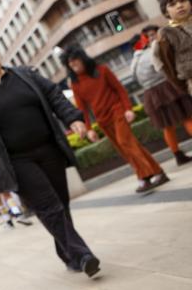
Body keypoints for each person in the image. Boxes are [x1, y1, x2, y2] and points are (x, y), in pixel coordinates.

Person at [0, 39, 101, 277]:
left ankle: (68, 254)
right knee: (49, 207)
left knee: (60, 204)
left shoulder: (25, 74)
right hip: (16, 161)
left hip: (49, 149)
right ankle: (83, 254)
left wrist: (73, 118)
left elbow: (54, 95)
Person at [62, 45, 169, 193]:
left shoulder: (102, 70)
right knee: (127, 148)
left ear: (82, 59)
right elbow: (82, 109)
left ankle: (144, 177)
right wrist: (89, 129)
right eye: (70, 63)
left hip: (117, 111)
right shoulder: (75, 84)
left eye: (75, 61)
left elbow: (120, 89)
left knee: (125, 142)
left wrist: (128, 108)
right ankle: (159, 172)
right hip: (103, 120)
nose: (73, 65)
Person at [131, 25, 192, 166]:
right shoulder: (154, 51)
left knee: (167, 126)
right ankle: (178, 155)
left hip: (150, 94)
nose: (151, 38)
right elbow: (165, 69)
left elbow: (135, 79)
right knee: (188, 116)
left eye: (153, 34)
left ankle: (177, 155)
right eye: (148, 36)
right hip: (168, 87)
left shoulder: (134, 62)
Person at [155, 0, 192, 96]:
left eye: (183, 1)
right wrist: (185, 87)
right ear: (166, 12)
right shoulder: (166, 34)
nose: (179, 6)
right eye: (172, 4)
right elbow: (168, 66)